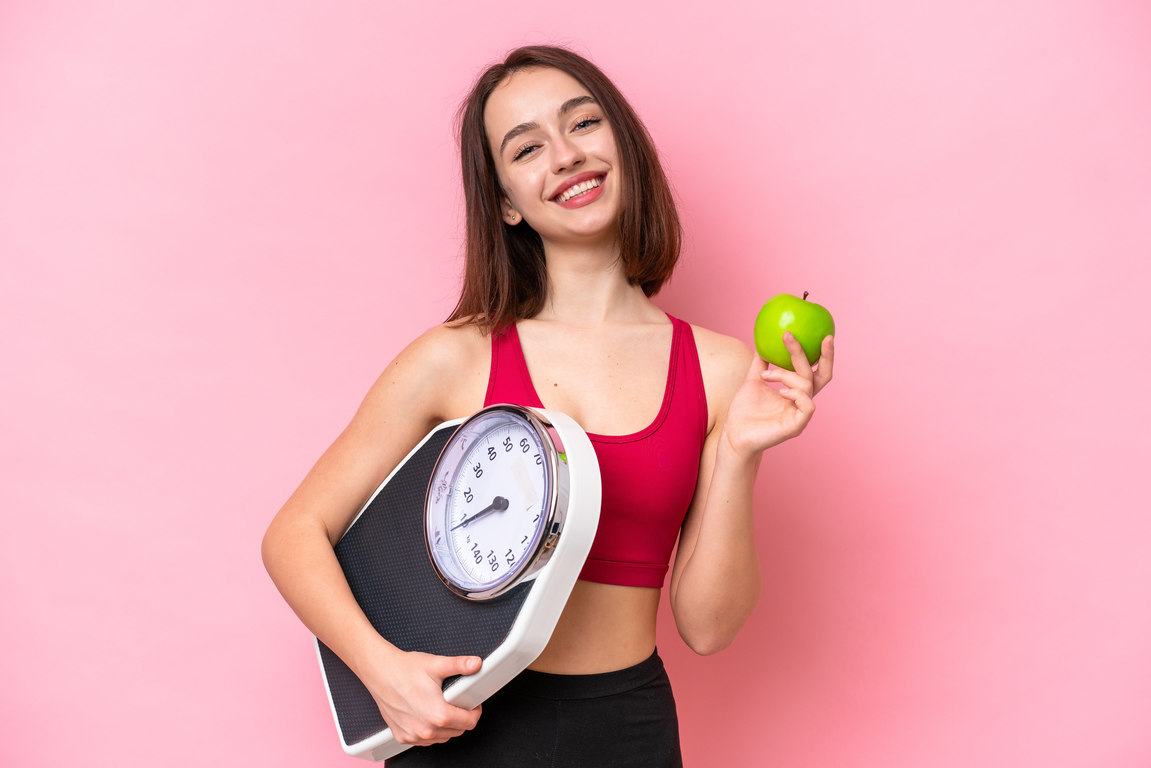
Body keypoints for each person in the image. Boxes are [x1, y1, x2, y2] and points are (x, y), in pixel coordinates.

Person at [262, 45, 834, 767]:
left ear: (621, 146)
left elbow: (708, 628)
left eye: (583, 123)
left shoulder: (721, 370)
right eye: (527, 147)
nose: (565, 156)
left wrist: (741, 451)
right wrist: (382, 673)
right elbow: (293, 534)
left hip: (626, 728)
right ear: (504, 201)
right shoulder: (456, 356)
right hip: (466, 731)